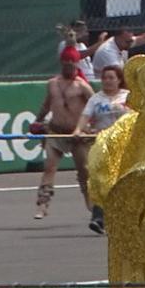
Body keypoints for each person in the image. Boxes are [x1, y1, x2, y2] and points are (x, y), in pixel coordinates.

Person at [30, 49, 92, 220]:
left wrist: (91, 127)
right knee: (49, 167)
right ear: (62, 64)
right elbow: (46, 105)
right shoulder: (53, 84)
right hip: (56, 132)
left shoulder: (82, 86)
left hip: (77, 135)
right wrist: (37, 121)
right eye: (67, 64)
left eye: (73, 65)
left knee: (84, 170)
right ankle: (43, 204)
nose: (70, 68)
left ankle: (90, 201)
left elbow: (94, 107)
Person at [73, 62, 132, 233]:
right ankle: (98, 218)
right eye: (104, 78)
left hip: (124, 144)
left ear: (119, 80)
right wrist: (78, 130)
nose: (107, 81)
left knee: (121, 182)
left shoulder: (128, 96)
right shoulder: (96, 99)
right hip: (103, 144)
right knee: (101, 180)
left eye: (111, 78)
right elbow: (85, 117)